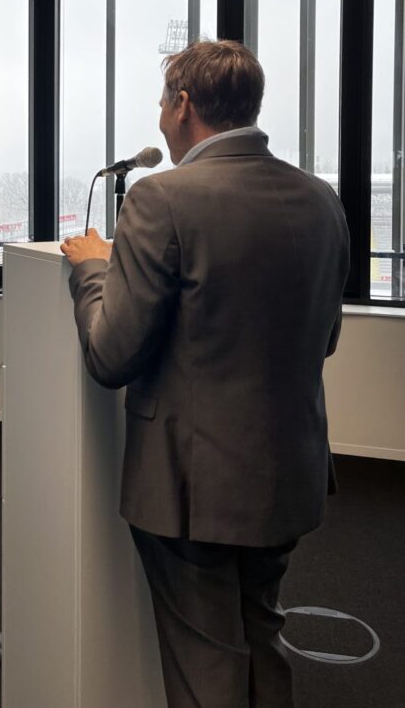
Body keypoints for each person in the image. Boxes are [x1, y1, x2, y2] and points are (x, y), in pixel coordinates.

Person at [60, 40, 349, 708]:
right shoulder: (321, 200)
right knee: (262, 632)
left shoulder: (162, 199)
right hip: (292, 472)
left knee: (207, 663)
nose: (160, 115)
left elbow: (110, 355)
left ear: (184, 104)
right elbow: (325, 338)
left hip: (194, 487)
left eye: (163, 101)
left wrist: (92, 270)